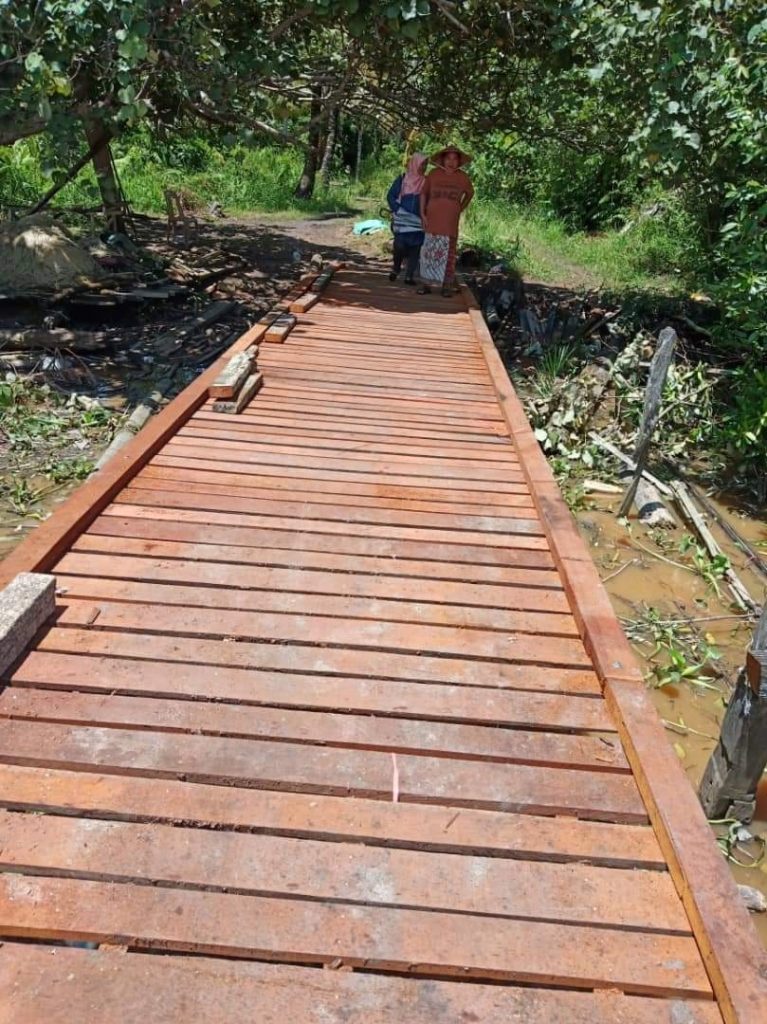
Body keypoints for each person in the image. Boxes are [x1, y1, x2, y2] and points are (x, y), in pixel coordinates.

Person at [417, 145, 474, 296]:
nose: (451, 162)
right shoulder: (433, 174)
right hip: (432, 221)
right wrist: (422, 214)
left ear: (459, 162)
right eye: (448, 158)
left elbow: (470, 193)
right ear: (442, 160)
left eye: (455, 159)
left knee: (449, 255)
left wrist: (460, 207)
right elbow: (423, 194)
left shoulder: (463, 178)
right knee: (428, 253)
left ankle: (446, 286)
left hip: (450, 223)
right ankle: (425, 284)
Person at [386, 153, 427, 285]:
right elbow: (391, 196)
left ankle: (409, 276)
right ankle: (396, 268)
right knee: (399, 245)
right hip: (402, 221)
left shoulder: (427, 182)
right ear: (415, 164)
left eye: (426, 164)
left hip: (418, 222)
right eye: (422, 164)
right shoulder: (403, 179)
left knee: (416, 248)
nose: (424, 167)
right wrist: (398, 210)